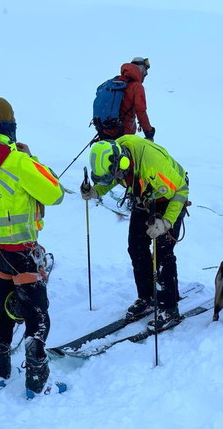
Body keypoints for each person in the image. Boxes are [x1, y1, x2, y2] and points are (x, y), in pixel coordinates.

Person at [0, 97, 65, 396]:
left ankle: (0, 370)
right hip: (21, 250)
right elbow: (55, 194)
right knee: (37, 313)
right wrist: (32, 160)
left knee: (5, 308)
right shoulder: (18, 160)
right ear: (10, 126)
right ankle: (37, 380)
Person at [80, 136, 189, 330]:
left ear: (124, 163)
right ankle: (147, 296)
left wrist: (166, 222)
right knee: (136, 247)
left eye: (116, 175)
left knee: (163, 253)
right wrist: (96, 190)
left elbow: (180, 191)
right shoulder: (118, 154)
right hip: (145, 195)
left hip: (171, 197)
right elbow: (114, 178)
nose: (116, 179)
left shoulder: (152, 166)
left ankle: (169, 308)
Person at [100, 57, 155, 141]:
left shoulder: (116, 81)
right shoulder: (137, 86)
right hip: (124, 134)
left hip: (105, 130)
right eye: (145, 69)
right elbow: (140, 111)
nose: (146, 73)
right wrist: (149, 131)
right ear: (140, 67)